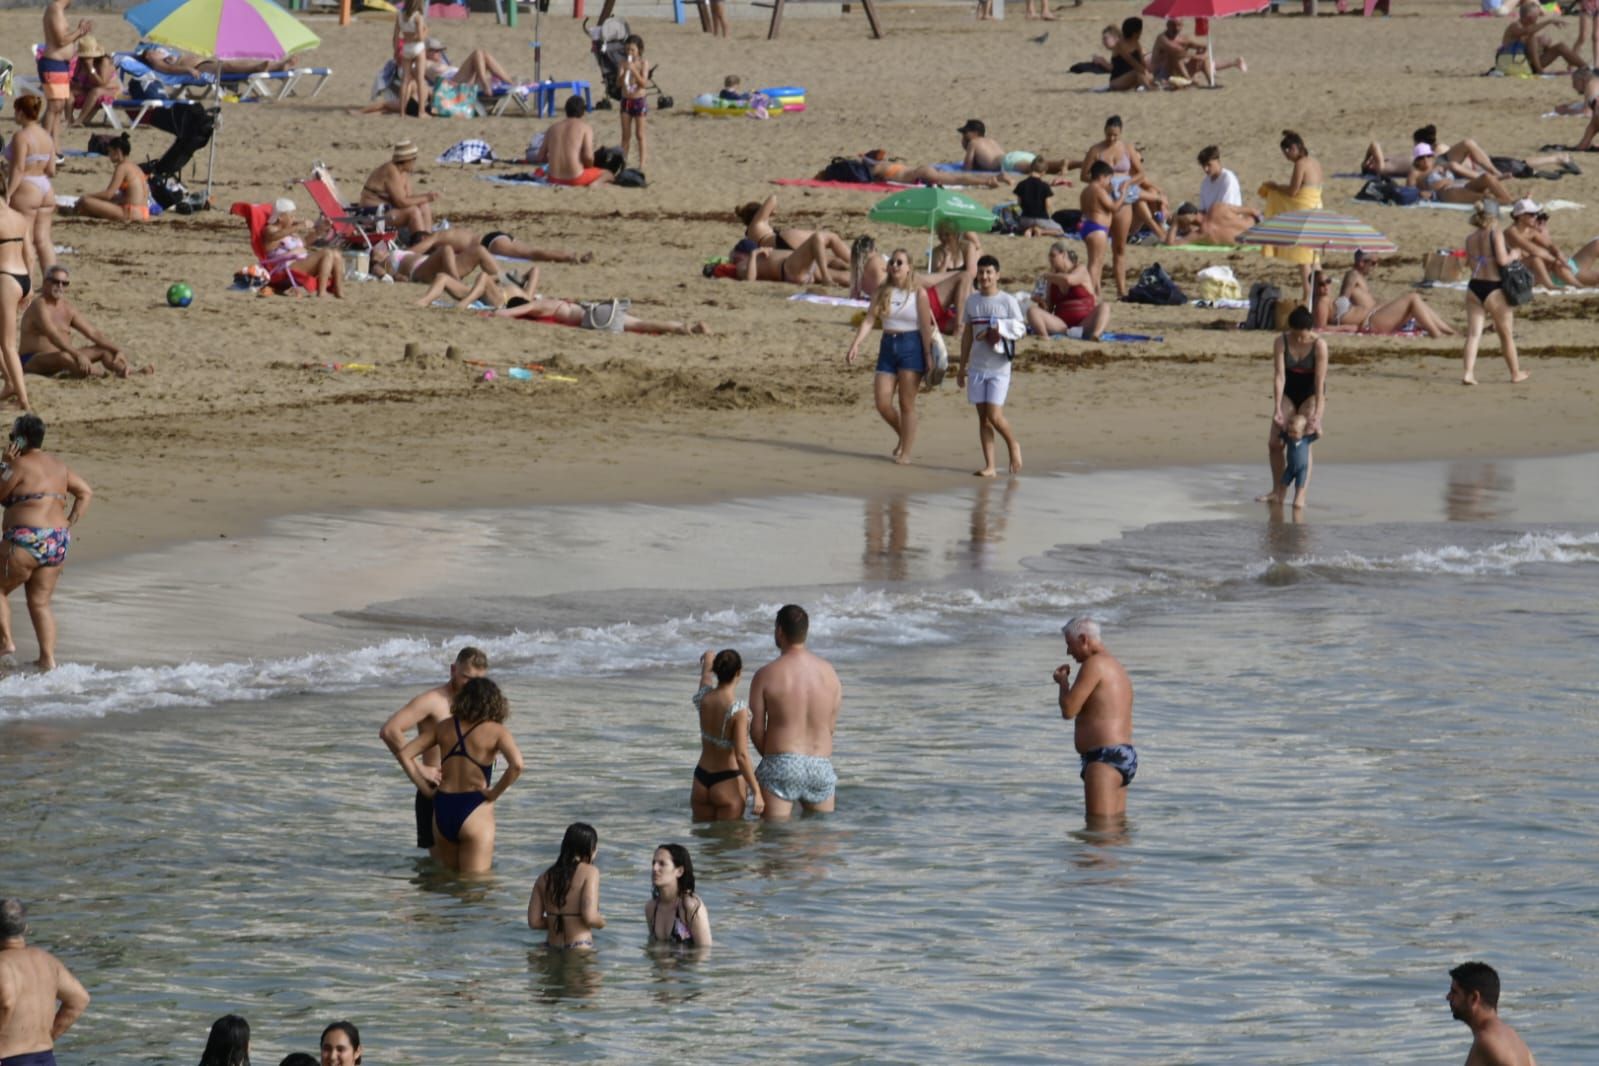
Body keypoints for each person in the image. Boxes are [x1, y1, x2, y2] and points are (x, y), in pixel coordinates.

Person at [395, 676, 523, 873]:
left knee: (448, 883)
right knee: (475, 890)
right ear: (496, 703)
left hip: (443, 808)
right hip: (474, 810)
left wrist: (424, 788)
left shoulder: (444, 727)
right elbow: (517, 765)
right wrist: (494, 793)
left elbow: (404, 754)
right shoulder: (497, 731)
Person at [0, 415, 91, 671]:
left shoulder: (19, 464)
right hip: (57, 540)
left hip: (26, 538)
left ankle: (6, 642)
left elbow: (0, 492)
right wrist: (71, 519)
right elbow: (85, 492)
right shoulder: (59, 465)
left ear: (19, 440)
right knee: (40, 602)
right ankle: (47, 659)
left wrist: (4, 463)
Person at [380, 646, 489, 851]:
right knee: (438, 875)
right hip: (436, 791)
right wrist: (419, 769)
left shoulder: (478, 704)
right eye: (466, 677)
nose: (471, 685)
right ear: (453, 670)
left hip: (470, 797)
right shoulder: (432, 701)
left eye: (477, 681)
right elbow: (389, 730)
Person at [749, 604, 843, 819]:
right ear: (806, 632)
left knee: (776, 842)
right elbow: (830, 727)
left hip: (781, 762)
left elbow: (755, 729)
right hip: (820, 764)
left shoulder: (766, 674)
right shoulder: (830, 673)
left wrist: (777, 759)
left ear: (779, 631)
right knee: (820, 840)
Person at [845, 249, 935, 464]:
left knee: (906, 404)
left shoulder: (919, 294)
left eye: (899, 262)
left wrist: (928, 355)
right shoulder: (882, 291)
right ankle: (904, 436)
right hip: (887, 345)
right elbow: (868, 320)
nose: (894, 266)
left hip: (911, 345)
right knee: (883, 403)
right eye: (892, 262)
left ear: (909, 267)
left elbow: (925, 326)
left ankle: (906, 452)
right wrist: (855, 344)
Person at [1053, 616, 1135, 822]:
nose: (1068, 652)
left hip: (1103, 760)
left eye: (1069, 645)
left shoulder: (1094, 664)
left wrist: (1062, 683)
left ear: (1083, 639)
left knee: (1098, 832)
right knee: (1115, 832)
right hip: (1122, 754)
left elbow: (1069, 709)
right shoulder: (1116, 666)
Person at [0, 898, 90, 1066]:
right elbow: (79, 999)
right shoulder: (48, 961)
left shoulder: (2, 963)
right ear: (26, 928)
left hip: (9, 1059)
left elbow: (7, 1001)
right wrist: (49, 1036)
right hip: (45, 1058)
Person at [19, 266, 151, 379]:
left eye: (64, 283)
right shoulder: (39, 305)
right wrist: (77, 354)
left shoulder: (67, 308)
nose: (60, 286)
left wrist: (117, 350)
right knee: (64, 357)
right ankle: (103, 376)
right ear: (45, 283)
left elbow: (92, 332)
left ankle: (126, 371)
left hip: (66, 355)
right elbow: (53, 335)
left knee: (103, 350)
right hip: (32, 359)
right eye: (56, 282)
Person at [958, 256, 1025, 478]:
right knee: (983, 419)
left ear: (997, 274)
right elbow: (967, 335)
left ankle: (1013, 445)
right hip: (977, 367)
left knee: (995, 416)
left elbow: (1020, 328)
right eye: (981, 272)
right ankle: (990, 466)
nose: (984, 277)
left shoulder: (1007, 301)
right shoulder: (972, 301)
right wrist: (961, 366)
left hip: (999, 368)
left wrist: (997, 327)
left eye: (989, 272)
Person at [1255, 306, 1327, 506]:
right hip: (1288, 391)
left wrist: (1317, 416)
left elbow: (1320, 383)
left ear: (1310, 330)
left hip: (1310, 394)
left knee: (1303, 441)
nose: (1299, 340)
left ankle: (1300, 495)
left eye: (1302, 336)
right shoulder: (1281, 341)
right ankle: (1278, 491)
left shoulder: (1319, 345)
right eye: (1295, 335)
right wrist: (1277, 408)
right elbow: (1279, 376)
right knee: (1275, 443)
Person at [689, 649, 763, 820]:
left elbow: (706, 677)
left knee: (704, 842)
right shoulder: (738, 710)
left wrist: (708, 659)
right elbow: (742, 755)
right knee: (730, 842)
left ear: (716, 671)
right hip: (727, 782)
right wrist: (756, 791)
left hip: (701, 779)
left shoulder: (704, 697)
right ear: (738, 672)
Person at [1461, 201, 1530, 385]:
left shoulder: (1470, 238)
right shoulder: (1495, 233)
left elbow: (1469, 263)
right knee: (1505, 334)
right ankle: (1515, 373)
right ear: (1494, 217)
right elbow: (1502, 260)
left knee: (1474, 334)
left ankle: (1468, 373)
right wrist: (1515, 254)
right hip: (1494, 288)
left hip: (1474, 287)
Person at [1312, 255, 1457, 336]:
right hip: (1369, 323)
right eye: (1321, 284)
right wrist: (1346, 328)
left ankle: (1448, 331)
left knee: (1415, 300)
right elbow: (1320, 328)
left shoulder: (1329, 300)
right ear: (1314, 286)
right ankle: (1437, 333)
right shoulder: (1322, 302)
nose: (1326, 286)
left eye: (1328, 281)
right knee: (1412, 298)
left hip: (1372, 316)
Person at [1259, 130, 1324, 306]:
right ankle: (1321, 294)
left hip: (1305, 211)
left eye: (1287, 152)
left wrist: (1275, 187)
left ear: (1295, 148)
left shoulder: (1301, 164)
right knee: (1314, 256)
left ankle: (1308, 294)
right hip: (1317, 208)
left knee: (1302, 256)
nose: (1287, 157)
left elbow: (1293, 191)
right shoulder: (1315, 163)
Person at [528, 823, 605, 949]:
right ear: (590, 848)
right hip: (579, 946)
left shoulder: (543, 877)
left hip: (551, 946)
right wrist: (602, 922)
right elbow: (590, 917)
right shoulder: (590, 872)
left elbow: (534, 922)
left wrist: (560, 920)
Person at [7, 96, 59, 278]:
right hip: (45, 186)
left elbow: (19, 168)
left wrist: (8, 193)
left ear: (21, 112)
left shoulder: (21, 136)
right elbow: (51, 169)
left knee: (25, 237)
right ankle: (51, 279)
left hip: (28, 187)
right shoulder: (46, 135)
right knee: (44, 240)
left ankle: (27, 281)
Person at [1447, 962, 1537, 1066]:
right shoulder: (1514, 1038)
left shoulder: (1485, 1041)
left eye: (1454, 992)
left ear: (1474, 998)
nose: (1448, 997)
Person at [0, 154, 35, 414]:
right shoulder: (17, 216)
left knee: (9, 344)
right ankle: (10, 382)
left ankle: (23, 399)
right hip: (22, 277)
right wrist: (31, 285)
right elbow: (30, 254)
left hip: (5, 280)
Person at [494, 294, 709, 334]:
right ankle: (684, 327)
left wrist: (497, 312)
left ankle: (685, 328)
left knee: (641, 326)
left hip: (593, 317)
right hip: (594, 310)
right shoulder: (549, 301)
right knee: (642, 324)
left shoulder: (537, 305)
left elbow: (511, 313)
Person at [259, 199, 344, 299]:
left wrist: (320, 230)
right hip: (285, 266)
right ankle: (322, 292)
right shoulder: (270, 229)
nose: (293, 218)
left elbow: (304, 243)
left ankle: (338, 291)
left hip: (300, 262)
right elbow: (274, 236)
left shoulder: (289, 230)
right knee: (327, 253)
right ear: (280, 217)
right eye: (291, 216)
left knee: (336, 254)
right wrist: (299, 226)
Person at [1027, 241, 1110, 341]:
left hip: (1084, 322)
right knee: (1032, 311)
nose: (1050, 259)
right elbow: (1049, 309)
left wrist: (1047, 276)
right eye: (1049, 256)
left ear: (1064, 255)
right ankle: (1044, 337)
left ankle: (1095, 335)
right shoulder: (1052, 279)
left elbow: (1069, 280)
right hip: (1062, 325)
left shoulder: (1080, 269)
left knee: (1104, 307)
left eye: (1053, 256)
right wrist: (1041, 302)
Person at [735, 195, 851, 266]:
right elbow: (773, 198)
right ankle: (856, 262)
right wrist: (770, 211)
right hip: (783, 239)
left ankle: (850, 266)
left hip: (780, 253)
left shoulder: (749, 234)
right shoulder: (757, 223)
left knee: (824, 259)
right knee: (831, 238)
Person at [41, 0, 95, 148]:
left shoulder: (59, 10)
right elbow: (60, 41)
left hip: (60, 65)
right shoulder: (55, 9)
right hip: (53, 64)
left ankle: (55, 147)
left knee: (59, 107)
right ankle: (44, 146)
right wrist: (79, 31)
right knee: (54, 107)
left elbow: (64, 40)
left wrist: (80, 32)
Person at [360, 141, 438, 235]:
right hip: (372, 214)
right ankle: (420, 243)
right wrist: (426, 197)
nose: (415, 162)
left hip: (387, 210)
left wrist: (425, 198)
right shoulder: (391, 170)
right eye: (414, 159)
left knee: (423, 206)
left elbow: (409, 198)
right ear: (407, 159)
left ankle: (427, 240)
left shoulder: (403, 173)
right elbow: (401, 202)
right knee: (413, 212)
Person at [1078, 161, 1130, 297]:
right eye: (1108, 179)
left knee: (1096, 261)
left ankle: (1096, 290)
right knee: (1095, 263)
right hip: (1097, 228)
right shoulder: (1098, 190)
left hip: (1088, 226)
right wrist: (1123, 194)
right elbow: (1113, 208)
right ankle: (1089, 293)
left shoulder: (1086, 190)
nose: (1109, 182)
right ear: (1102, 176)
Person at [533, 96, 612, 186]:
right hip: (575, 178)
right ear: (583, 112)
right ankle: (595, 184)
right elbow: (588, 157)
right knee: (608, 174)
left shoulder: (552, 128)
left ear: (566, 111)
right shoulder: (585, 128)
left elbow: (540, 157)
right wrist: (587, 166)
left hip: (553, 178)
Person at [72, 134, 151, 223]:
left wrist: (86, 196)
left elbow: (108, 194)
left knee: (85, 201)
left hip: (130, 213)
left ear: (117, 152)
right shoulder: (136, 167)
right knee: (109, 201)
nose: (108, 155)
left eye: (109, 152)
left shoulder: (122, 167)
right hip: (144, 212)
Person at [646, 844, 713, 947]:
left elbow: (704, 952)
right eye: (653, 863)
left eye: (662, 864)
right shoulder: (651, 908)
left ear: (679, 871)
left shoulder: (690, 907)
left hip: (687, 963)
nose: (655, 868)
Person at [1504, 199, 1582, 286]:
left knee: (1554, 262)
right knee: (1536, 259)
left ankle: (1578, 285)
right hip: (1512, 273)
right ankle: (1550, 286)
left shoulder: (1530, 230)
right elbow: (1534, 250)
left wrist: (1558, 253)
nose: (1536, 217)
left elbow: (1549, 244)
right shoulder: (1511, 232)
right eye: (1532, 214)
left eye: (1536, 214)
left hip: (1526, 271)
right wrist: (1556, 260)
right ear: (1521, 216)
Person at [1409, 146, 1519, 207]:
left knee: (1487, 177)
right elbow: (1411, 193)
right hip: (1446, 192)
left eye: (1428, 156)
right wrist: (1444, 180)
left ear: (1432, 156)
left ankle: (1509, 199)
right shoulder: (1416, 173)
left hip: (1461, 184)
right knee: (1484, 198)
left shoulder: (1440, 166)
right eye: (1421, 158)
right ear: (1416, 160)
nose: (1425, 160)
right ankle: (1510, 202)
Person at [1152, 18, 1244, 86]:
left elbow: (1204, 46)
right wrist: (1196, 57)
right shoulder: (1162, 38)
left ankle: (1211, 83)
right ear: (1167, 25)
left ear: (1182, 26)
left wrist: (1202, 53)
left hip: (1179, 70)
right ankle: (1188, 80)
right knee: (1174, 56)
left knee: (1205, 58)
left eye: (1178, 25)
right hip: (1163, 73)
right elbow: (1176, 51)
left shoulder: (1184, 39)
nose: (1175, 28)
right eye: (1172, 25)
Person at [728, 235, 847, 286]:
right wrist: (754, 254)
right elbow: (749, 279)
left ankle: (854, 269)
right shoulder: (744, 264)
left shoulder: (752, 259)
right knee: (816, 238)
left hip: (800, 268)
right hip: (789, 269)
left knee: (843, 276)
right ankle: (826, 277)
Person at [1500, 2, 1582, 75]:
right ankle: (1540, 71)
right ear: (1529, 17)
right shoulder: (1515, 26)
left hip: (1527, 64)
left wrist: (1544, 46)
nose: (1537, 19)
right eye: (1536, 16)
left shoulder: (1529, 26)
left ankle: (1585, 68)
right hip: (1512, 63)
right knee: (1533, 38)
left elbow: (1529, 47)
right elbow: (1527, 32)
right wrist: (1549, 21)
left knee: (1560, 46)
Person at [67, 37, 117, 128]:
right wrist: (76, 84)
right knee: (68, 92)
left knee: (96, 91)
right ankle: (69, 120)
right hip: (89, 88)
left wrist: (90, 69)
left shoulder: (104, 61)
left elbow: (102, 83)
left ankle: (79, 120)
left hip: (109, 90)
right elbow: (76, 78)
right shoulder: (81, 60)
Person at [1013, 156, 1064, 236]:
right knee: (1060, 230)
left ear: (1031, 168)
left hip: (1026, 218)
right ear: (1043, 172)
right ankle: (1041, 231)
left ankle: (1029, 229)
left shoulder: (1021, 184)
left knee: (1019, 228)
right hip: (1041, 218)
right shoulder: (1045, 186)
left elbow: (1019, 204)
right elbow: (1047, 205)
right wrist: (1050, 217)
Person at [619, 35, 649, 171]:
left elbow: (644, 83)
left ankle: (641, 164)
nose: (629, 53)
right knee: (626, 135)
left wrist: (634, 71)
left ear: (639, 50)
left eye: (632, 50)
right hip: (626, 101)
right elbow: (618, 83)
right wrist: (624, 71)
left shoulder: (643, 63)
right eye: (627, 50)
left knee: (640, 134)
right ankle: (623, 162)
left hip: (639, 101)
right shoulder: (622, 63)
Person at [395, 0, 428, 118]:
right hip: (417, 48)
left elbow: (396, 36)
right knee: (420, 80)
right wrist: (426, 31)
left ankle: (402, 112)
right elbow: (420, 37)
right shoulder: (418, 16)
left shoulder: (399, 15)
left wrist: (396, 51)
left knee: (405, 81)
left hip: (406, 48)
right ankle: (421, 111)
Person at [1108, 17, 1157, 91]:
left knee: (1150, 76)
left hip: (1135, 76)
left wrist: (1148, 74)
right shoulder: (1120, 45)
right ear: (1134, 33)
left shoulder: (1136, 43)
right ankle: (1150, 89)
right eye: (1140, 32)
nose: (1141, 34)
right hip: (1117, 81)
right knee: (1137, 73)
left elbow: (1142, 62)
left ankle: (1149, 85)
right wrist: (1145, 73)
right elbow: (1132, 62)